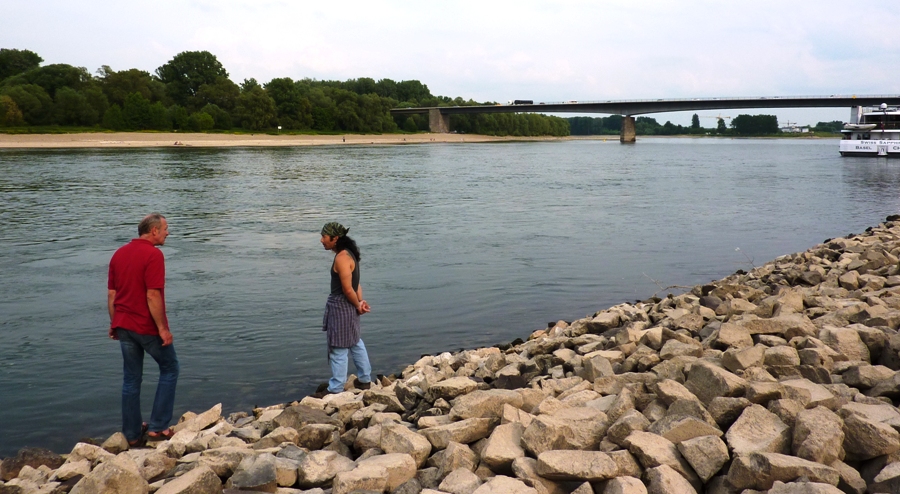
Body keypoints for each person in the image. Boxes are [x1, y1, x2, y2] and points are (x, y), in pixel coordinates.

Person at [107, 213, 179, 445]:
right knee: (169, 368)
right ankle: (158, 427)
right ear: (154, 231)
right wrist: (163, 329)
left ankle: (131, 434)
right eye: (166, 228)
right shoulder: (153, 255)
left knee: (131, 379)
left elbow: (112, 294)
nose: (168, 232)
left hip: (124, 325)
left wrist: (114, 323)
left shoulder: (119, 254)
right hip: (145, 327)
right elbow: (152, 294)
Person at [317, 222, 372, 396]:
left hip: (341, 306)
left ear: (335, 238)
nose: (321, 240)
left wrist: (357, 304)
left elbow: (348, 289)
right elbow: (356, 285)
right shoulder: (350, 255)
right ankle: (365, 380)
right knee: (355, 342)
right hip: (350, 304)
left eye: (324, 237)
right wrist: (360, 302)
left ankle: (336, 388)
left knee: (338, 347)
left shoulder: (341, 258)